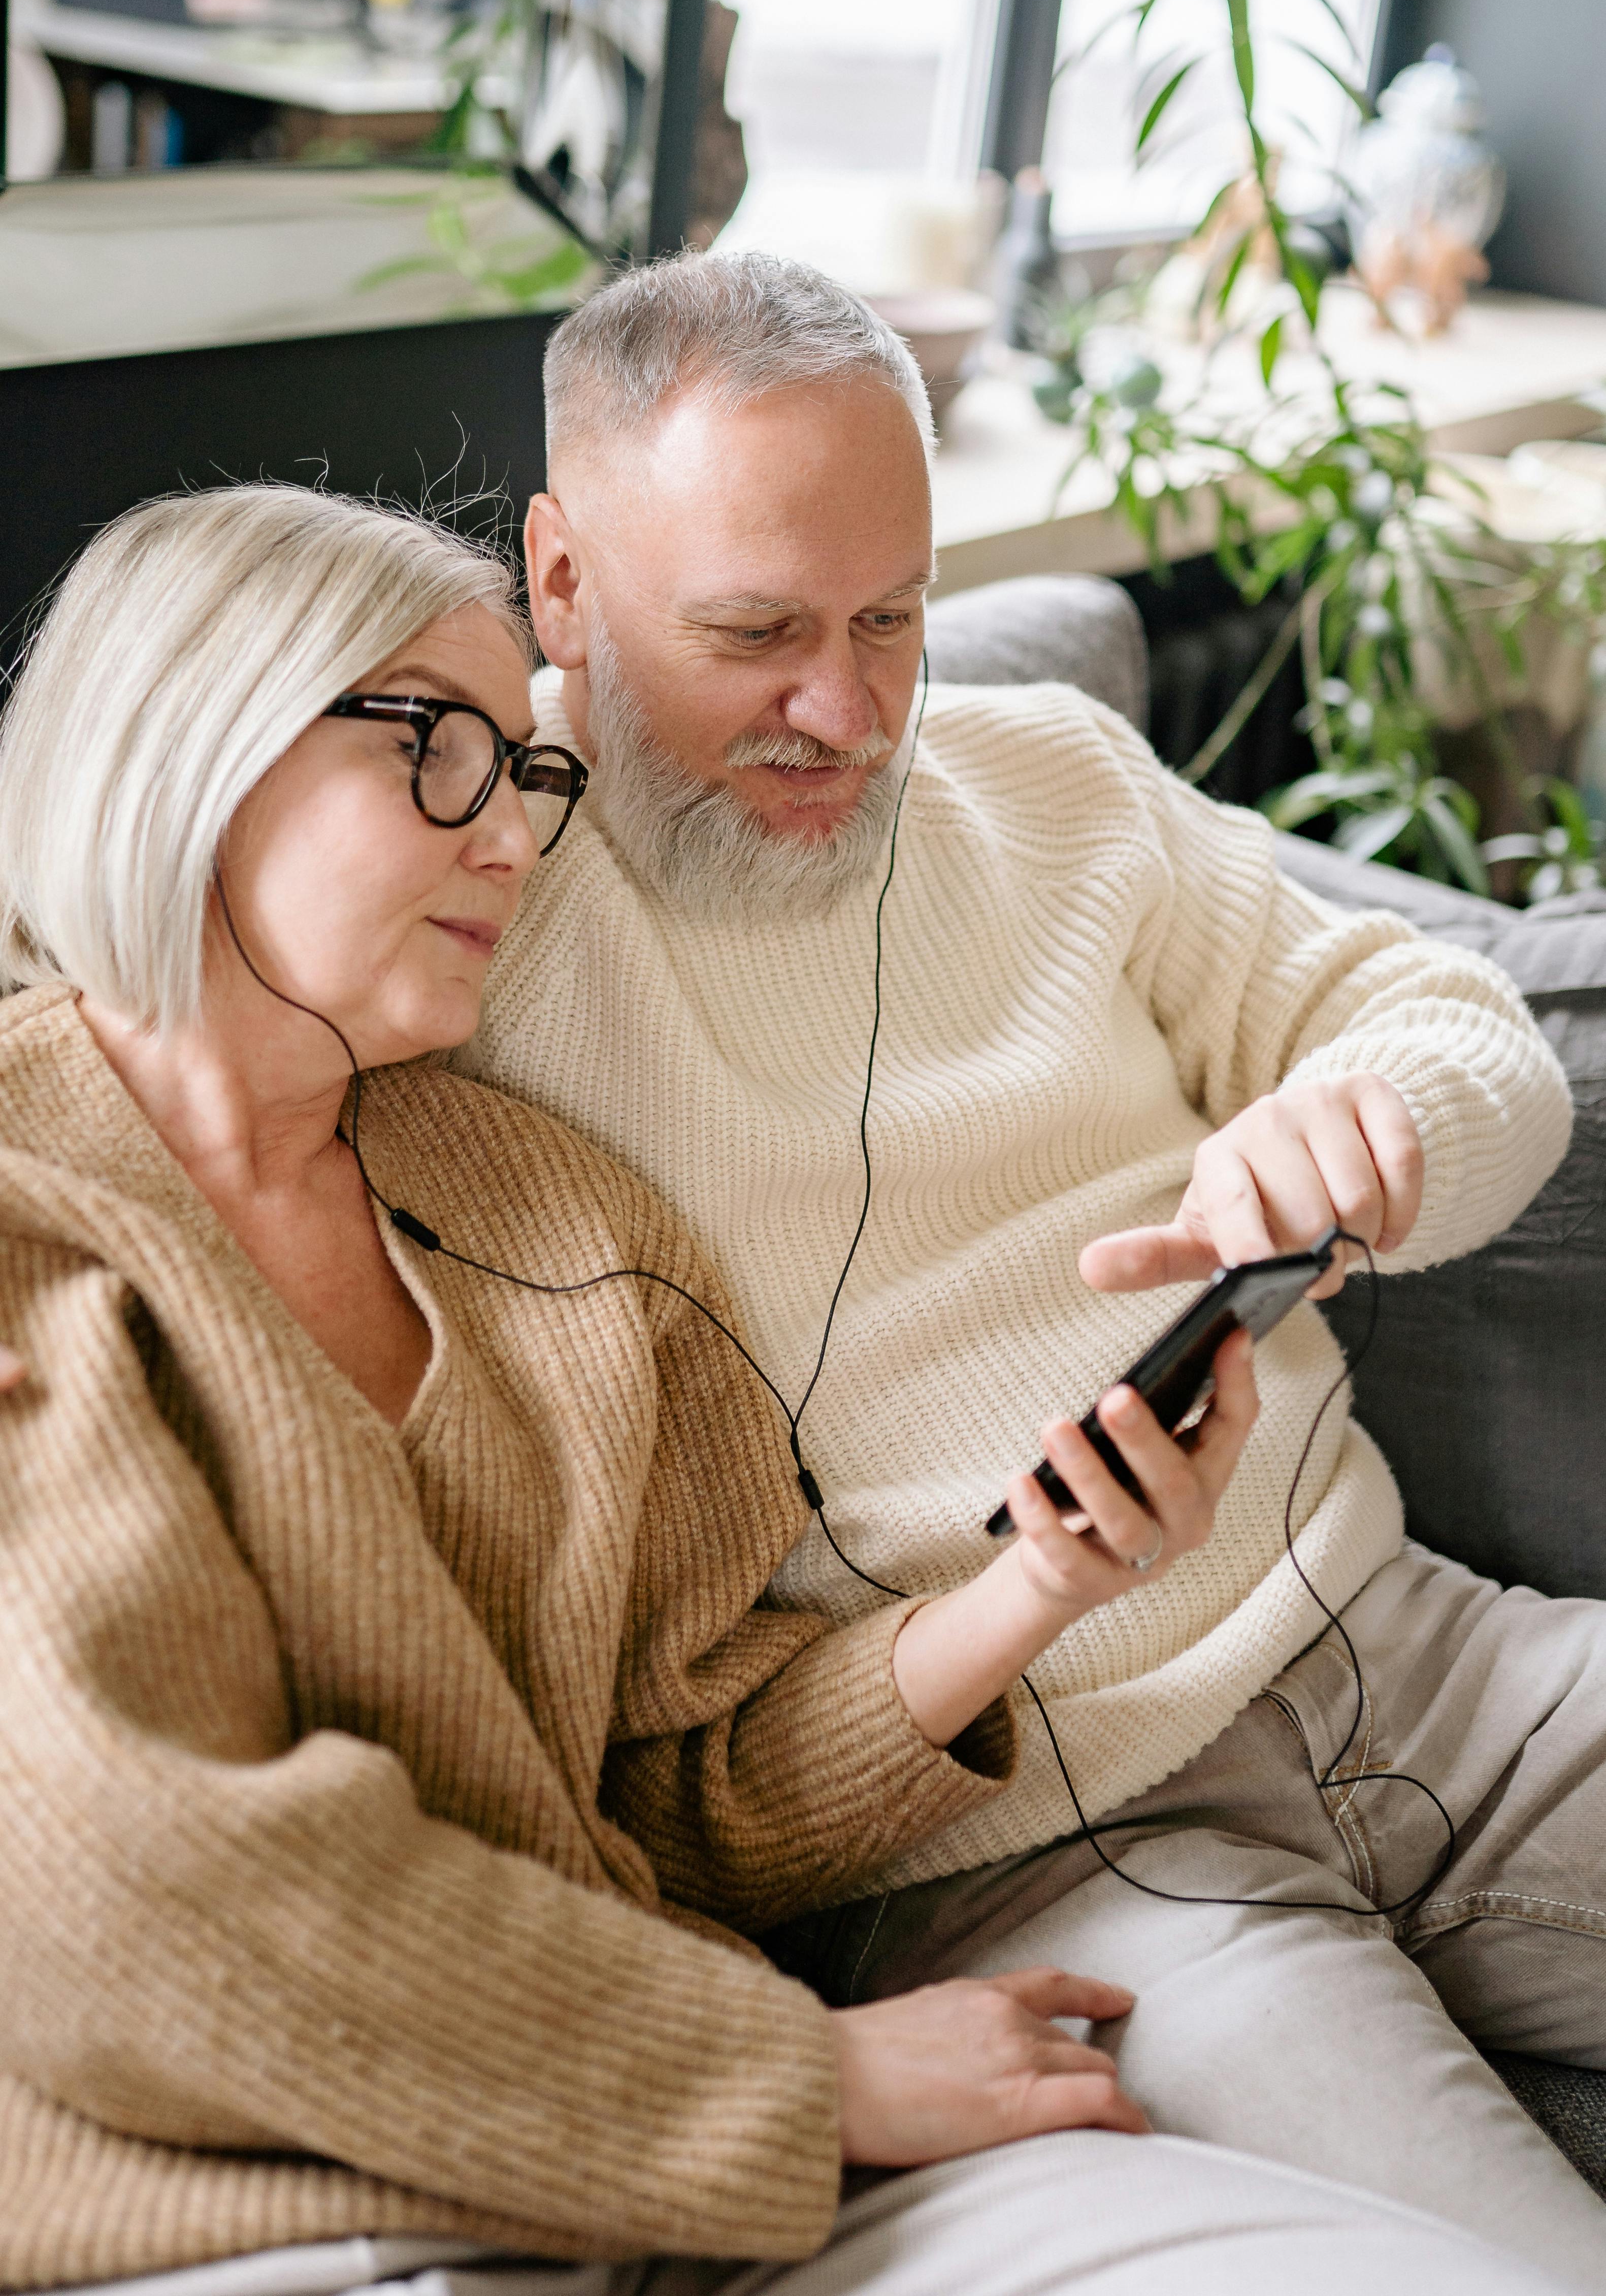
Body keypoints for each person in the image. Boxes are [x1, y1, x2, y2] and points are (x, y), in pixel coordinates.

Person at [2, 481, 1531, 2296]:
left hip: (700, 2139)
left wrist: (1035, 1585)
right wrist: (801, 2069)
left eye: (524, 772)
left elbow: (675, 1804)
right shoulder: (36, 1213)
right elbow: (129, 1888)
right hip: (293, 2202)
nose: (508, 838)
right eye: (439, 754)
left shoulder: (559, 1229)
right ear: (195, 736)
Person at [426, 251, 1606, 2290]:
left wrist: (1369, 1126)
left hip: (1411, 1650)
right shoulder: (451, 931)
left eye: (888, 616)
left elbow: (1457, 1027)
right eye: (755, 634)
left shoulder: (1043, 780)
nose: (850, 708)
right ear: (555, 584)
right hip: (1032, 1849)